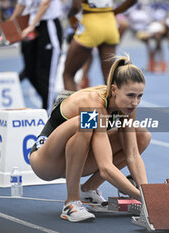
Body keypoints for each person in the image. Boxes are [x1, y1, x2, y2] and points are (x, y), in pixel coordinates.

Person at [29, 55, 151, 222]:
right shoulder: (94, 102)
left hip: (73, 160)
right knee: (86, 122)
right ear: (114, 90)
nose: (135, 102)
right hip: (46, 162)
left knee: (142, 136)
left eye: (140, 96)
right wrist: (140, 197)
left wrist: (148, 194)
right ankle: (71, 202)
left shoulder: (128, 106)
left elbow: (133, 155)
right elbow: (105, 167)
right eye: (131, 95)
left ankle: (89, 190)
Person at [63, 0, 137, 91]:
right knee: (109, 79)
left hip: (90, 24)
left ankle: (73, 104)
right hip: (110, 24)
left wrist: (71, 18)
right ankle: (111, 104)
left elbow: (76, 6)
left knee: (68, 75)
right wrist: (115, 12)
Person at [13, 0, 63, 112]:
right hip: (31, 26)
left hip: (47, 25)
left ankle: (49, 112)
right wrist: (10, 25)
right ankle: (52, 104)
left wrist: (31, 25)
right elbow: (21, 4)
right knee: (30, 71)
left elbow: (45, 2)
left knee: (46, 73)